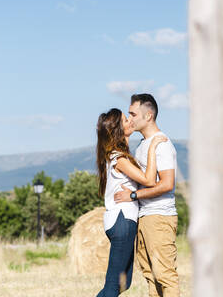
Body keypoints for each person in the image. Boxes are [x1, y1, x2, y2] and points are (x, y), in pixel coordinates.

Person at [95, 108, 167, 297]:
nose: (130, 122)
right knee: (112, 285)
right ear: (119, 129)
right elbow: (149, 181)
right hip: (122, 221)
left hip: (122, 222)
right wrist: (152, 148)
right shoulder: (119, 157)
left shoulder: (120, 155)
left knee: (123, 283)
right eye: (126, 120)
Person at [114, 94, 179, 297]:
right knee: (150, 276)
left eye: (133, 114)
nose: (129, 118)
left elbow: (167, 184)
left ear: (148, 115)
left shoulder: (162, 144)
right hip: (145, 216)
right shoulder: (144, 144)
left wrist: (133, 195)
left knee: (165, 276)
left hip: (159, 216)